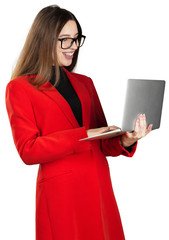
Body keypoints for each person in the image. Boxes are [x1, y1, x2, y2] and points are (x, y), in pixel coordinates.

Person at [5, 5, 152, 240]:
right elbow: (28, 150)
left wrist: (127, 138)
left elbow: (102, 142)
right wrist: (83, 134)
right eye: (65, 40)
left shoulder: (85, 83)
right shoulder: (20, 88)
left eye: (76, 39)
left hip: (98, 186)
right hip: (62, 194)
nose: (73, 46)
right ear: (44, 40)